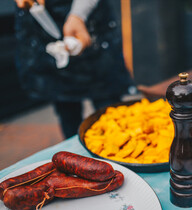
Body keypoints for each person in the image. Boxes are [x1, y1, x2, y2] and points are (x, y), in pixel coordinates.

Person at [14, 0, 134, 139]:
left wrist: (78, 15)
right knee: (66, 109)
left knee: (110, 111)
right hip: (40, 28)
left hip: (92, 26)